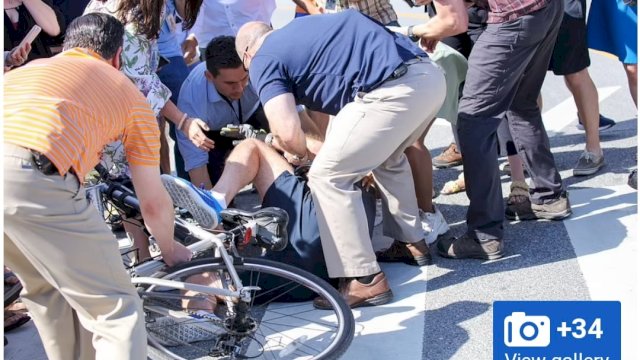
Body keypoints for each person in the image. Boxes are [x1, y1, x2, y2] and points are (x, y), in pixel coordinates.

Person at [3, 13, 192, 359]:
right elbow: (152, 201)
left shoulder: (27, 71)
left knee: (50, 295)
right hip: (35, 174)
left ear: (69, 45)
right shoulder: (129, 94)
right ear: (118, 56)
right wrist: (169, 248)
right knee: (116, 310)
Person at [235, 10, 451, 308]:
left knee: (327, 177)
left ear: (247, 55)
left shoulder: (262, 59)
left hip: (390, 90)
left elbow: (286, 130)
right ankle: (410, 241)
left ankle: (364, 280)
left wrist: (296, 152)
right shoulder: (308, 27)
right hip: (428, 76)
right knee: (388, 157)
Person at [437, 0, 571, 260]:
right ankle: (549, 196)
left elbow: (454, 20)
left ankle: (484, 235)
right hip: (545, 8)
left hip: (513, 17)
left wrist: (418, 32)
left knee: (473, 121)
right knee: (522, 102)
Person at [177, 35, 265, 188]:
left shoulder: (258, 71)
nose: (239, 89)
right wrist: (211, 207)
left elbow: (293, 115)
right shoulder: (191, 98)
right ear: (209, 76)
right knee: (218, 193)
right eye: (230, 83)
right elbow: (197, 165)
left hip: (254, 116)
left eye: (244, 79)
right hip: (213, 134)